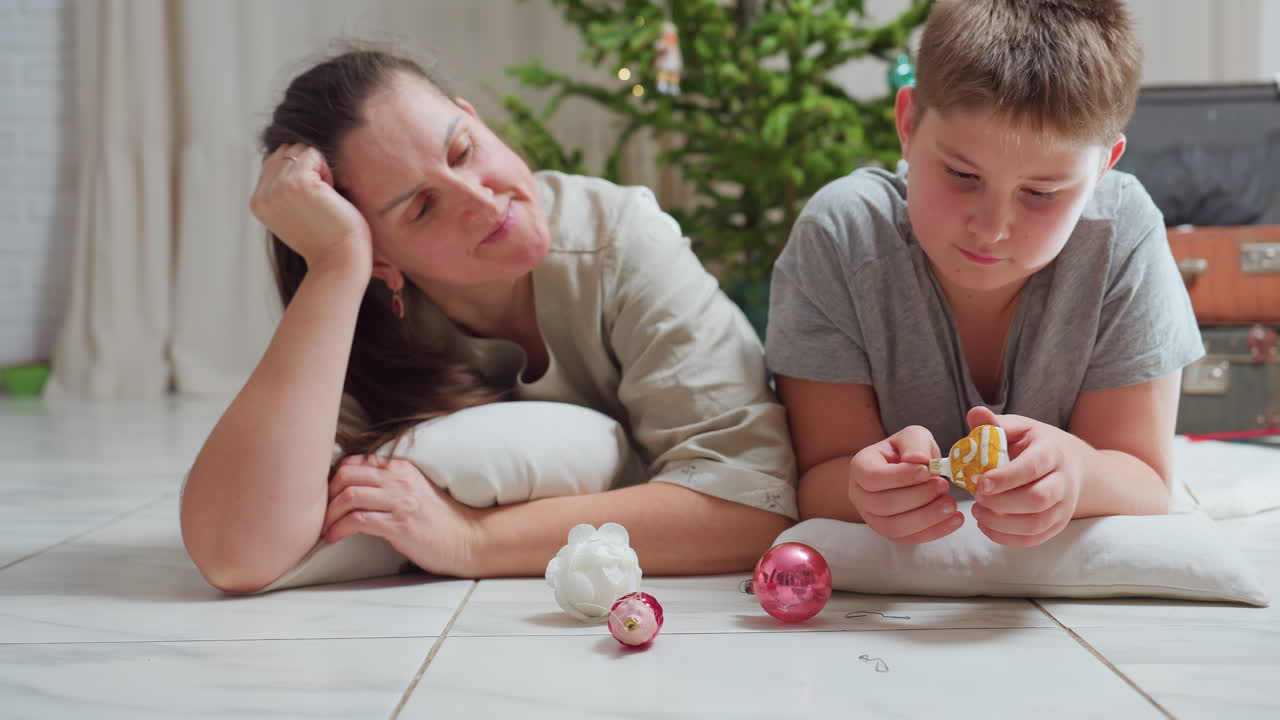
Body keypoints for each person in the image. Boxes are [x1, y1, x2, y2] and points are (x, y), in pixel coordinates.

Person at [180, 49, 796, 593]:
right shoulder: (367, 312)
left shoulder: (619, 240)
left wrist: (472, 541)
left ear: (473, 116)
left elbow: (755, 505)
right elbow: (235, 555)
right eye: (422, 207)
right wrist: (337, 266)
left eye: (463, 150)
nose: (481, 199)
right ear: (382, 260)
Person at [766, 0, 1202, 548]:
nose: (993, 229)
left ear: (1103, 167)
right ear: (907, 123)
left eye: (1041, 193)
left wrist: (1079, 473)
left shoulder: (1122, 232)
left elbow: (1146, 480)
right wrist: (864, 488)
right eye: (961, 175)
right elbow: (820, 478)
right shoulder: (842, 236)